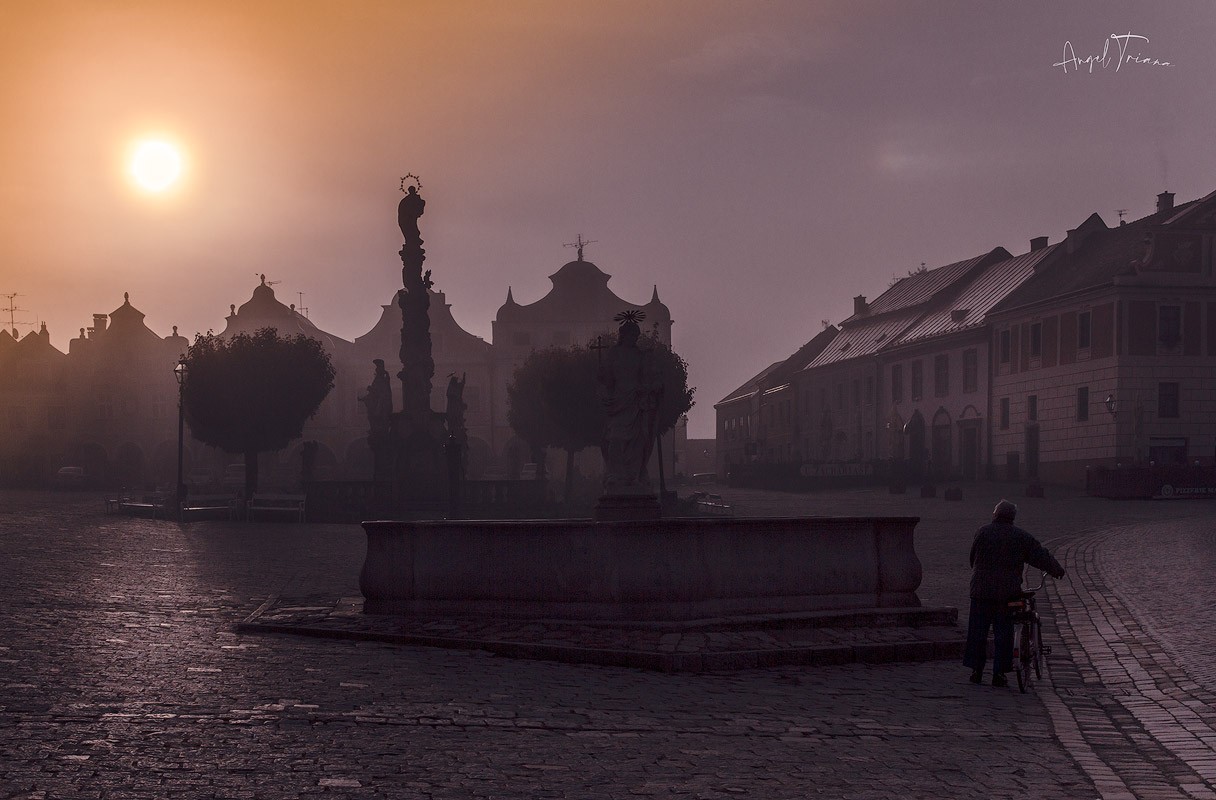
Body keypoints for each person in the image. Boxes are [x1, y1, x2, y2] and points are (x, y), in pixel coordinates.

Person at [964, 499, 1065, 687]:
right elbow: (1039, 555)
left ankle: (976, 671)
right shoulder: (1021, 536)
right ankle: (999, 673)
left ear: (995, 515)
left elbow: (972, 559)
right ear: (1012, 518)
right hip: (1007, 593)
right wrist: (1057, 570)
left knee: (977, 631)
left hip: (980, 591)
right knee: (1004, 631)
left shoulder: (982, 532)